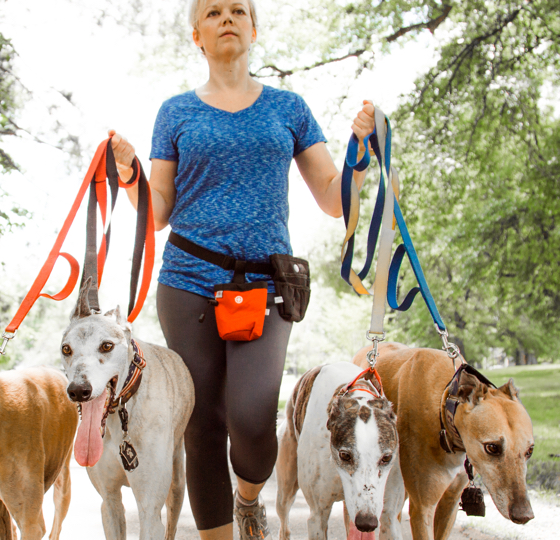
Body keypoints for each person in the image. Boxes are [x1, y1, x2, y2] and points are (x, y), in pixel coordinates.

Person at [109, 1, 375, 538]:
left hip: (267, 285)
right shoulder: (176, 111)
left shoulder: (289, 107)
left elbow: (330, 197)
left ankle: (249, 497)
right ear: (196, 35)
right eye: (213, 11)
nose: (226, 17)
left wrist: (359, 154)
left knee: (252, 422)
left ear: (254, 28)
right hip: (188, 281)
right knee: (202, 424)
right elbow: (158, 210)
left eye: (238, 10)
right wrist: (129, 174)